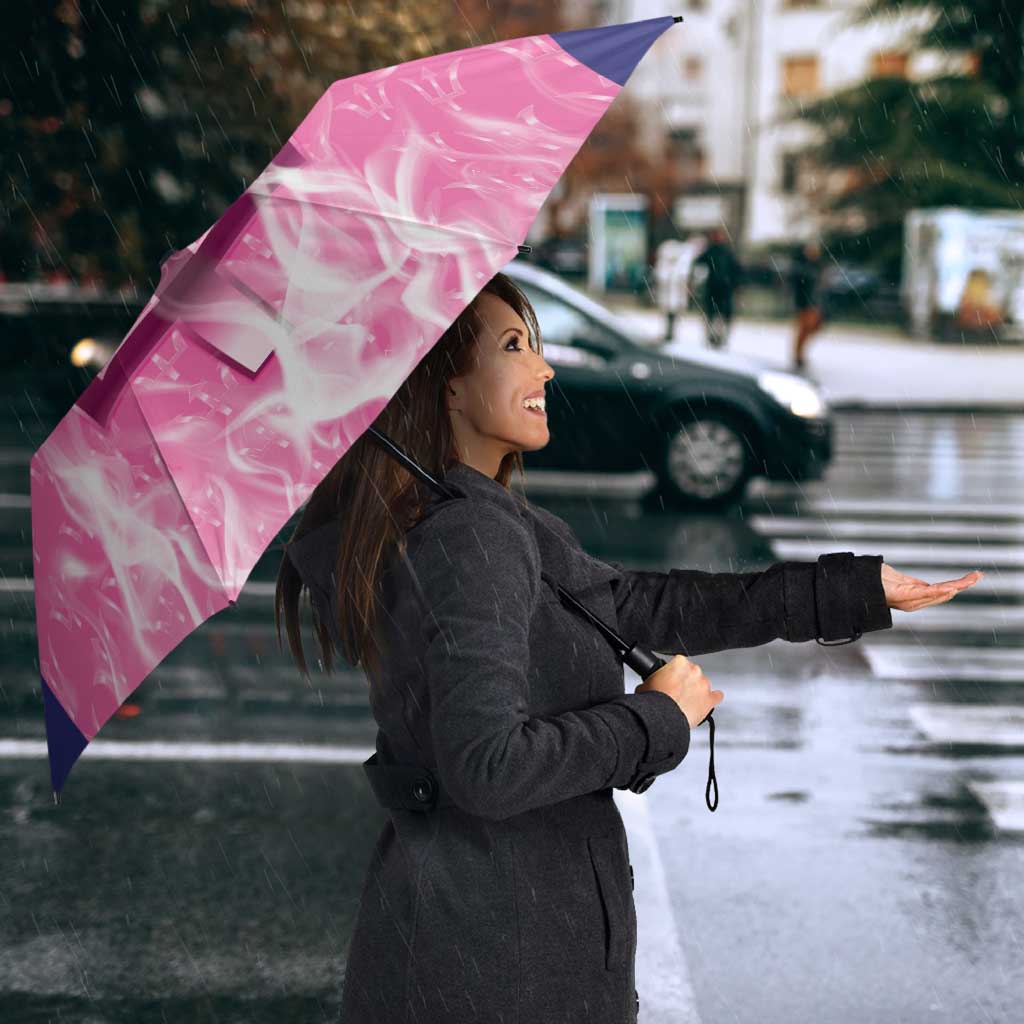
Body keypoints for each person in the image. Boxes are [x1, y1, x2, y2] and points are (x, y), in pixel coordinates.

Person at [275, 271, 973, 1024]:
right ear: (444, 385)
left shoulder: (474, 519)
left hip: (477, 944)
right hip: (498, 963)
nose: (544, 368)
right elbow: (488, 768)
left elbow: (640, 605)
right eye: (515, 346)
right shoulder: (468, 537)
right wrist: (656, 719)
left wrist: (851, 592)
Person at [692, 226, 742, 349]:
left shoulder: (725, 252)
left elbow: (736, 270)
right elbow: (698, 264)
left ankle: (719, 337)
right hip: (715, 288)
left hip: (723, 288)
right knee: (713, 314)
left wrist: (735, 284)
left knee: (720, 315)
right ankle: (713, 337)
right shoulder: (712, 251)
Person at [790, 239, 826, 370]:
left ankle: (799, 354)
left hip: (814, 303)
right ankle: (798, 355)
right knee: (804, 329)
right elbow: (799, 286)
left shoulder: (817, 266)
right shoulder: (802, 267)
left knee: (812, 328)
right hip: (805, 303)